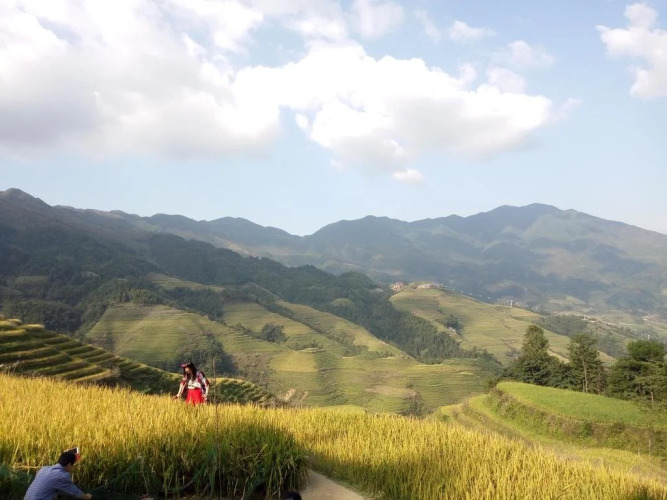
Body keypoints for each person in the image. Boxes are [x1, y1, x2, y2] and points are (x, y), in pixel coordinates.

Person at [24, 450, 92, 500]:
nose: (72, 468)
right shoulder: (62, 476)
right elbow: (75, 493)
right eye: (72, 465)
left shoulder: (44, 469)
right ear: (69, 465)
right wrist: (87, 497)